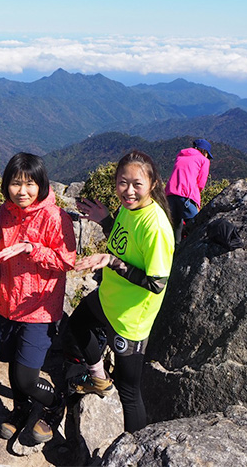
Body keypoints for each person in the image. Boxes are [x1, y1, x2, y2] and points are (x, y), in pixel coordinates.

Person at [70, 150, 175, 432]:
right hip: (109, 298)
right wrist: (106, 220)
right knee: (77, 324)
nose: (128, 191)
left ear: (152, 184)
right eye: (122, 182)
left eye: (137, 184)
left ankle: (133, 451)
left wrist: (110, 261)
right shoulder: (130, 211)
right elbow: (125, 244)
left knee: (129, 393)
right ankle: (99, 378)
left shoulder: (156, 227)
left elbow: (156, 283)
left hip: (131, 320)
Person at [0, 153, 76, 443]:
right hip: (6, 305)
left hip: (39, 311)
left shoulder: (55, 217)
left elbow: (67, 260)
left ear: (41, 184)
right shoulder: (4, 213)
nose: (22, 191)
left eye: (29, 184)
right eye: (16, 184)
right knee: (12, 365)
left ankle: (55, 405)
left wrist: (32, 248)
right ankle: (21, 409)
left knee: (26, 377)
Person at [165, 138, 212, 245]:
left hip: (169, 194)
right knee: (196, 225)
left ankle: (175, 252)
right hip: (186, 195)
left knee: (175, 226)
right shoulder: (204, 160)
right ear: (204, 152)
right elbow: (201, 183)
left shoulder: (180, 155)